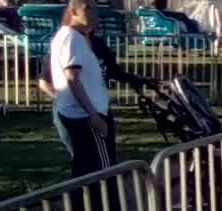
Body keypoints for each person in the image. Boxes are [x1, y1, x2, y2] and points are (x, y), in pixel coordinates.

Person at [38, 8, 147, 157]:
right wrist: (67, 99)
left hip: (99, 109)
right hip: (74, 112)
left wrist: (137, 79)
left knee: (105, 157)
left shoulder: (98, 45)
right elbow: (45, 82)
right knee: (85, 158)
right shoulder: (67, 44)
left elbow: (113, 71)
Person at [51, 0, 119, 179]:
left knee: (85, 170)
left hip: (85, 114)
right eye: (87, 9)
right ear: (73, 11)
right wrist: (94, 115)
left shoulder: (78, 38)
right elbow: (72, 79)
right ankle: (103, 206)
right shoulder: (71, 38)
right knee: (103, 171)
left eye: (95, 8)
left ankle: (82, 207)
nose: (94, 13)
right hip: (86, 116)